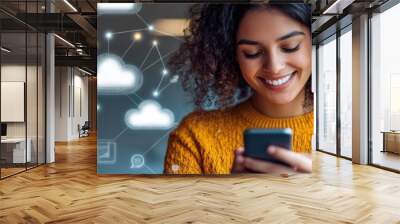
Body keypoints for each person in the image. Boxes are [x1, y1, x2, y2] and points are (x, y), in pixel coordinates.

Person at [164, 3, 313, 174]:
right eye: (252, 52)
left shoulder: (347, 132)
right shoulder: (196, 136)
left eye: (290, 47)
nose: (274, 67)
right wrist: (233, 192)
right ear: (232, 55)